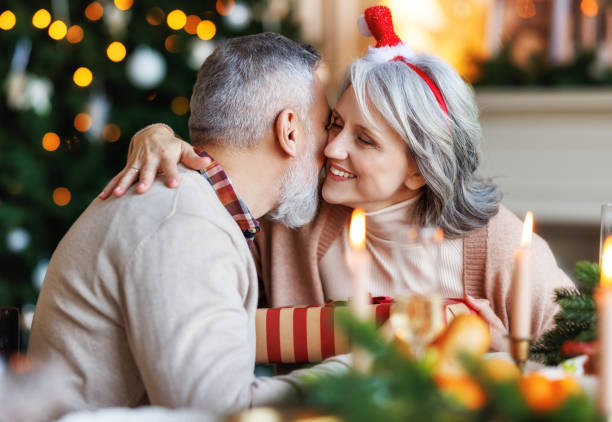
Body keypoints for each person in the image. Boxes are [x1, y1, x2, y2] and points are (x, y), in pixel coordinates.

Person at [102, 6, 575, 352]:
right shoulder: (297, 218)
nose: (331, 149)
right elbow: (221, 174)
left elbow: (577, 347)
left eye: (364, 140)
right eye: (334, 124)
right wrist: (157, 133)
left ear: (419, 168)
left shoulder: (494, 240)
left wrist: (485, 337)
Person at [27, 32, 351, 415]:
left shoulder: (192, 207)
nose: (330, 149)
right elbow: (217, 411)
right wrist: (358, 373)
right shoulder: (186, 225)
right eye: (327, 123)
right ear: (290, 131)